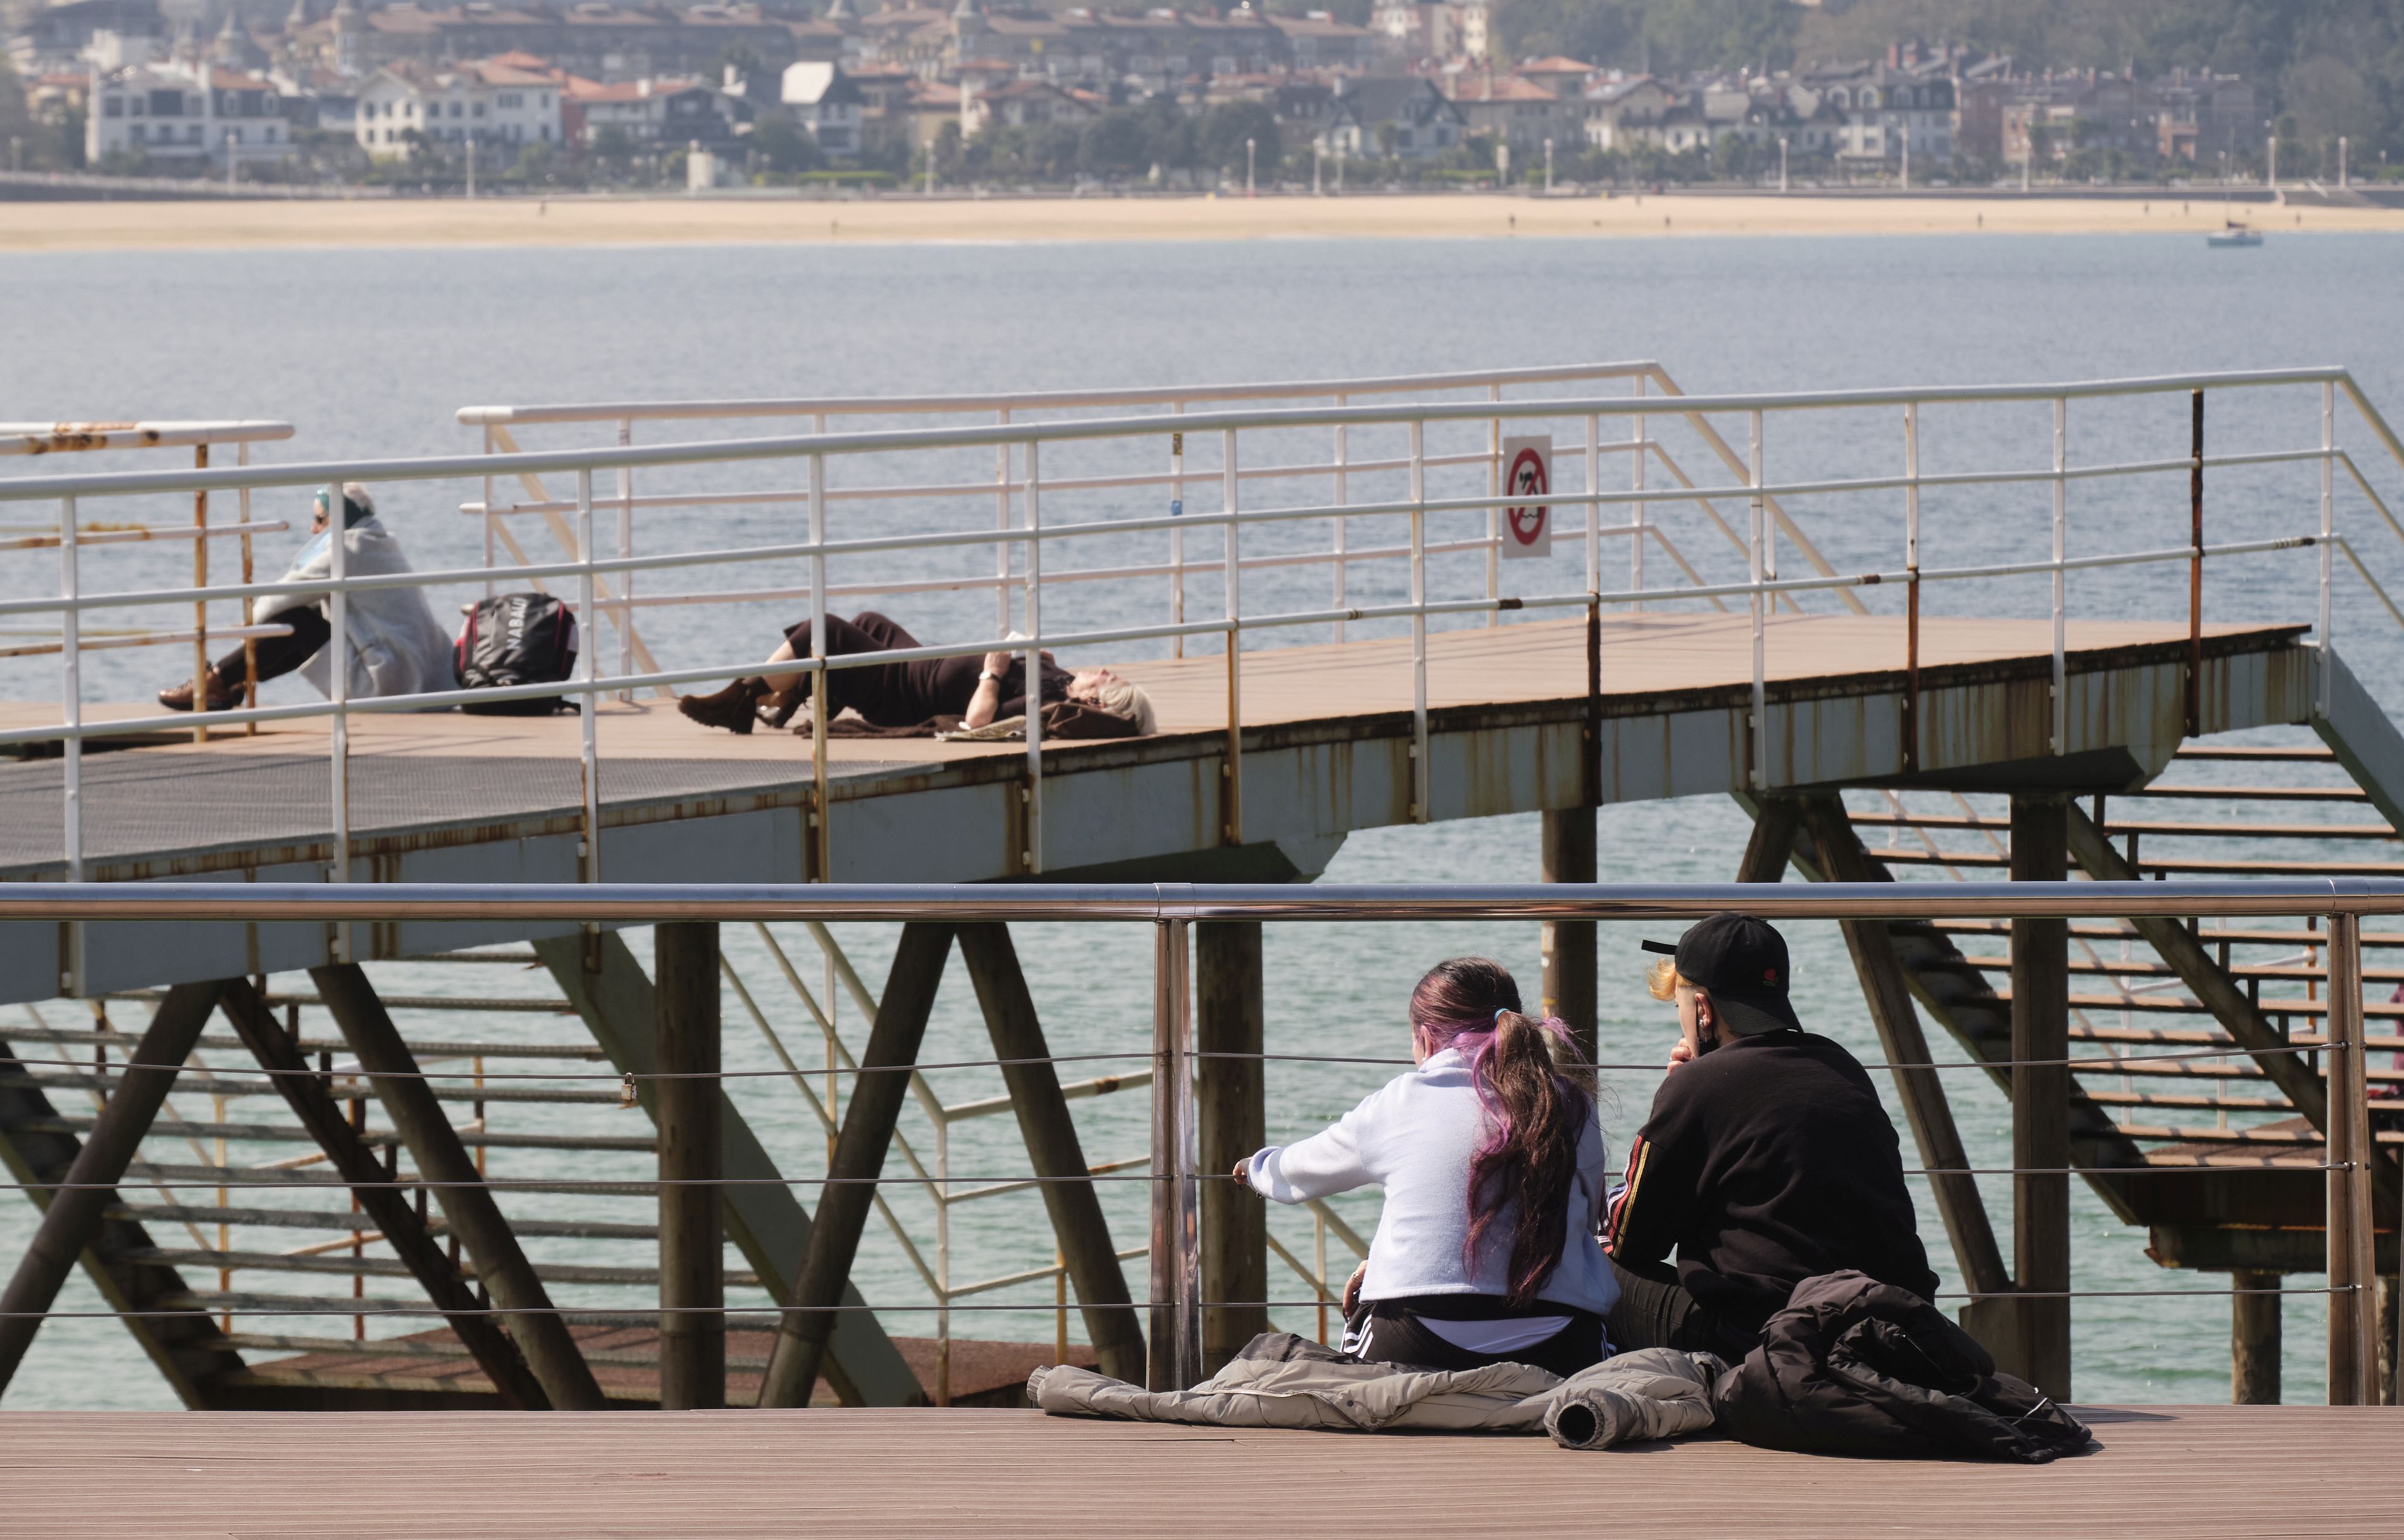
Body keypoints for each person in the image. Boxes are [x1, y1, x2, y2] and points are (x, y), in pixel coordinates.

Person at [1234, 957, 1617, 1377]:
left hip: (1419, 1342)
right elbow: (1587, 1216)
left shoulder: (1401, 1100)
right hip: (1559, 1344)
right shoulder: (1570, 1103)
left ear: (1427, 1038)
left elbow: (1300, 1171)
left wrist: (1255, 1167)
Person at [1604, 911, 1939, 1360]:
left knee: (1594, 1266)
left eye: (1681, 1009)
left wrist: (1678, 1097)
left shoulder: (1697, 1087)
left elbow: (1631, 1238)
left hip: (1768, 1342)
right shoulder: (1844, 1068)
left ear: (1703, 1010)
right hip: (1887, 1333)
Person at [158, 483, 452, 711]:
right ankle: (230, 681)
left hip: (394, 687)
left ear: (338, 519)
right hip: (426, 682)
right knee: (309, 619)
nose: (313, 529)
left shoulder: (349, 549)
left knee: (296, 620)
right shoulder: (382, 543)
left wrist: (246, 637)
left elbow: (280, 598)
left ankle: (216, 681)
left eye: (320, 519)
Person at [676, 610, 1157, 736]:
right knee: (868, 623)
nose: (1106, 671)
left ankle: (741, 699)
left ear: (1096, 703)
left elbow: (980, 721)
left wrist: (992, 674)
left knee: (825, 630)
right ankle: (779, 697)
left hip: (903, 692)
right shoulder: (1060, 681)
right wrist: (1041, 657)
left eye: (1110, 681)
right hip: (918, 664)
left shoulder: (1050, 704)